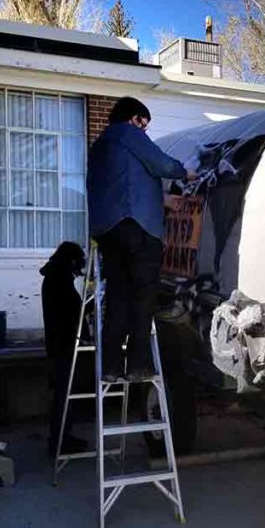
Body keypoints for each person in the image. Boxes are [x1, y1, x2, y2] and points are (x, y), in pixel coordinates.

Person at [87, 96, 195, 383]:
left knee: (118, 296)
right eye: (141, 123)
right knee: (143, 295)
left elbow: (121, 189)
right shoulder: (126, 133)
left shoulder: (100, 146)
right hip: (138, 231)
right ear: (130, 118)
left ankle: (110, 366)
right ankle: (138, 364)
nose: (143, 130)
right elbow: (160, 163)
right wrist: (185, 172)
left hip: (109, 232)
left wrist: (160, 200)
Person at [40, 241, 88, 455]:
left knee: (63, 394)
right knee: (64, 394)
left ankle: (61, 438)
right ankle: (60, 441)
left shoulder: (55, 276)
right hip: (64, 346)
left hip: (59, 344)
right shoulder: (59, 280)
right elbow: (74, 309)